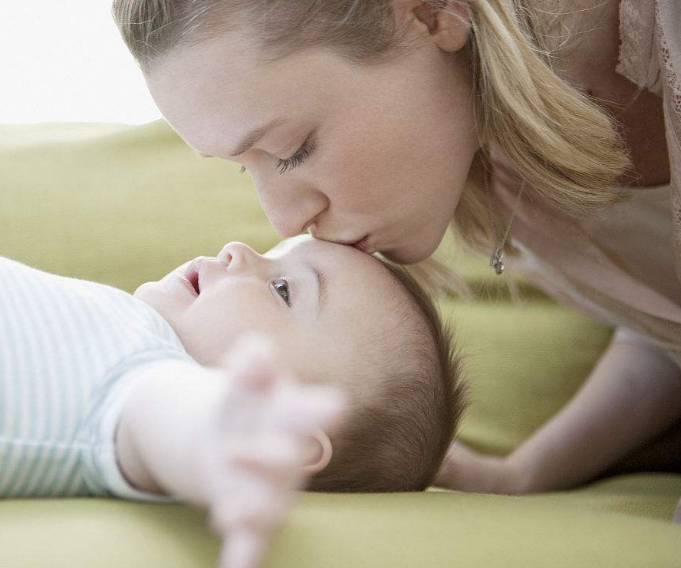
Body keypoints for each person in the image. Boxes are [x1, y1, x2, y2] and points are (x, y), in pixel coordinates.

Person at [112, 0, 681, 507]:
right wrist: (520, 474)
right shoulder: (496, 161)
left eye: (291, 150)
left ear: (432, 14)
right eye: (244, 166)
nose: (283, 222)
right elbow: (664, 322)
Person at [0, 229, 462, 568]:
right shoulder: (124, 328)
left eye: (285, 289)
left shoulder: (148, 378)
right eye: (271, 251)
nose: (236, 250)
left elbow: (170, 422)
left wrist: (224, 441)